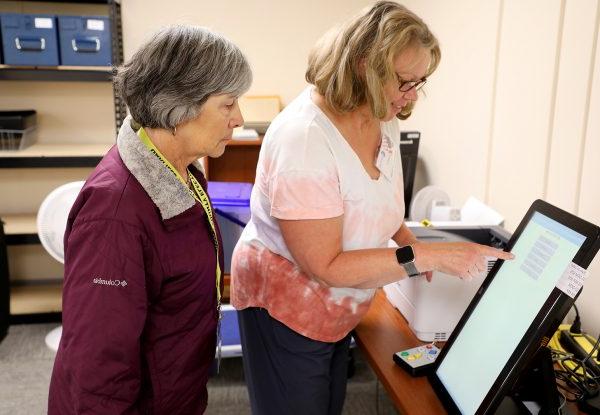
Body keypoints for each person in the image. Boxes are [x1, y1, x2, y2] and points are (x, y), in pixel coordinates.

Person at [230, 2, 514, 414]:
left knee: (328, 403)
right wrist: (425, 255)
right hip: (287, 305)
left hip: (339, 305)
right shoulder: (304, 139)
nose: (412, 96)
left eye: (421, 82)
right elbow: (324, 264)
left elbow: (379, 199)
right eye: (404, 82)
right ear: (364, 66)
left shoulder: (382, 116)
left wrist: (408, 238)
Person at [48, 25, 251, 414]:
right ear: (179, 106)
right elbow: (98, 368)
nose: (239, 118)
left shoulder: (180, 171)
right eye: (228, 104)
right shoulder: (114, 214)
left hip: (174, 393)